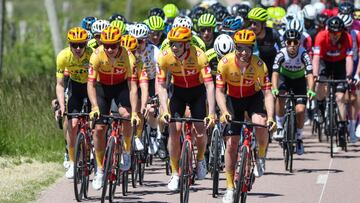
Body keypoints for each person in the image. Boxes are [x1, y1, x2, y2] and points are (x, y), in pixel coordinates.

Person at [216, 29, 276, 203]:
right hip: (233, 100)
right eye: (241, 48)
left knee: (260, 123)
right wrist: (224, 111)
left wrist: (271, 116)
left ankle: (261, 156)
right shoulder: (225, 63)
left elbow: (267, 94)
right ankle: (229, 187)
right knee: (231, 144)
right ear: (235, 47)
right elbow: (219, 91)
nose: (244, 53)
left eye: (248, 49)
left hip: (253, 98)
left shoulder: (259, 65)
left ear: (252, 48)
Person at [156, 26, 216, 191]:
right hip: (178, 93)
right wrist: (165, 110)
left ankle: (201, 158)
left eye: (179, 44)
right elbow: (161, 85)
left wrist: (211, 113)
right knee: (174, 130)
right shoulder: (165, 56)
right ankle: (175, 173)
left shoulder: (200, 57)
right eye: (172, 44)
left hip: (197, 92)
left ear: (187, 45)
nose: (174, 47)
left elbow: (210, 86)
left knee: (200, 129)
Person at [87, 26, 141, 190]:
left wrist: (135, 112)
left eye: (113, 46)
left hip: (121, 88)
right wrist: (95, 106)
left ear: (119, 44)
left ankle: (125, 150)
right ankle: (100, 170)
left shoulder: (128, 56)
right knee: (99, 128)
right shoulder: (96, 55)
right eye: (106, 45)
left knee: (125, 114)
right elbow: (90, 84)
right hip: (102, 88)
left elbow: (133, 87)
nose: (110, 49)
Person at [56, 27, 93, 178]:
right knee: (72, 124)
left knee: (95, 124)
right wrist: (62, 105)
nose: (78, 48)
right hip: (75, 87)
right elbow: (60, 84)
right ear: (69, 44)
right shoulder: (63, 56)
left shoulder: (92, 55)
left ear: (86, 43)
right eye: (74, 45)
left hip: (92, 86)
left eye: (81, 45)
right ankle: (72, 162)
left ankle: (93, 151)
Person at [271, 29, 315, 155]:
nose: (292, 45)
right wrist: (274, 88)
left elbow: (310, 75)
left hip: (299, 81)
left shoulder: (304, 54)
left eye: (294, 42)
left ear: (299, 43)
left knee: (300, 110)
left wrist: (311, 90)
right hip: (285, 79)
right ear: (285, 43)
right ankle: (280, 127)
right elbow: (275, 73)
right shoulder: (280, 54)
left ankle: (299, 139)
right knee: (280, 95)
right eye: (289, 42)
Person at [313, 16, 353, 148]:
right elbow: (317, 58)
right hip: (325, 63)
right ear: (327, 30)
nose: (335, 36)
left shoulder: (347, 38)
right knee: (320, 84)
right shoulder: (321, 36)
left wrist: (348, 75)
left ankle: (342, 128)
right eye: (332, 32)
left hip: (340, 65)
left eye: (338, 33)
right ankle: (319, 106)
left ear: (342, 32)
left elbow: (349, 59)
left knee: (340, 97)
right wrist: (314, 74)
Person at [248, 7, 283, 77]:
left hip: (271, 62)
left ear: (264, 24)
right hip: (254, 63)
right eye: (250, 23)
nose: (252, 26)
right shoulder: (247, 34)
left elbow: (284, 50)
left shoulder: (274, 33)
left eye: (255, 23)